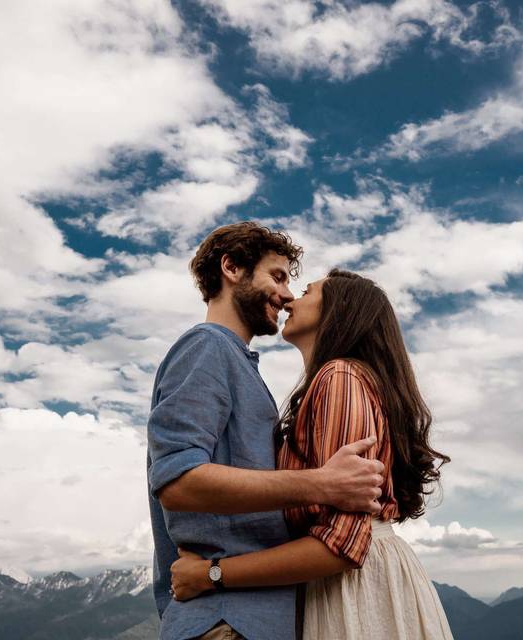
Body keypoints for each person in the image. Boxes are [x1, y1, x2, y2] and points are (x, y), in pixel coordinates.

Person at [169, 268, 456, 640]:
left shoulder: (340, 378)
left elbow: (340, 546)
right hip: (345, 584)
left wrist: (211, 574)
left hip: (354, 591)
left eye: (305, 290)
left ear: (339, 311)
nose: (289, 299)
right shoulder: (337, 382)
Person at [147, 224, 386, 640]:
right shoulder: (207, 346)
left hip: (246, 617)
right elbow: (178, 482)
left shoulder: (238, 363)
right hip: (226, 622)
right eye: (276, 276)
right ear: (231, 268)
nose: (288, 294)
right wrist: (323, 484)